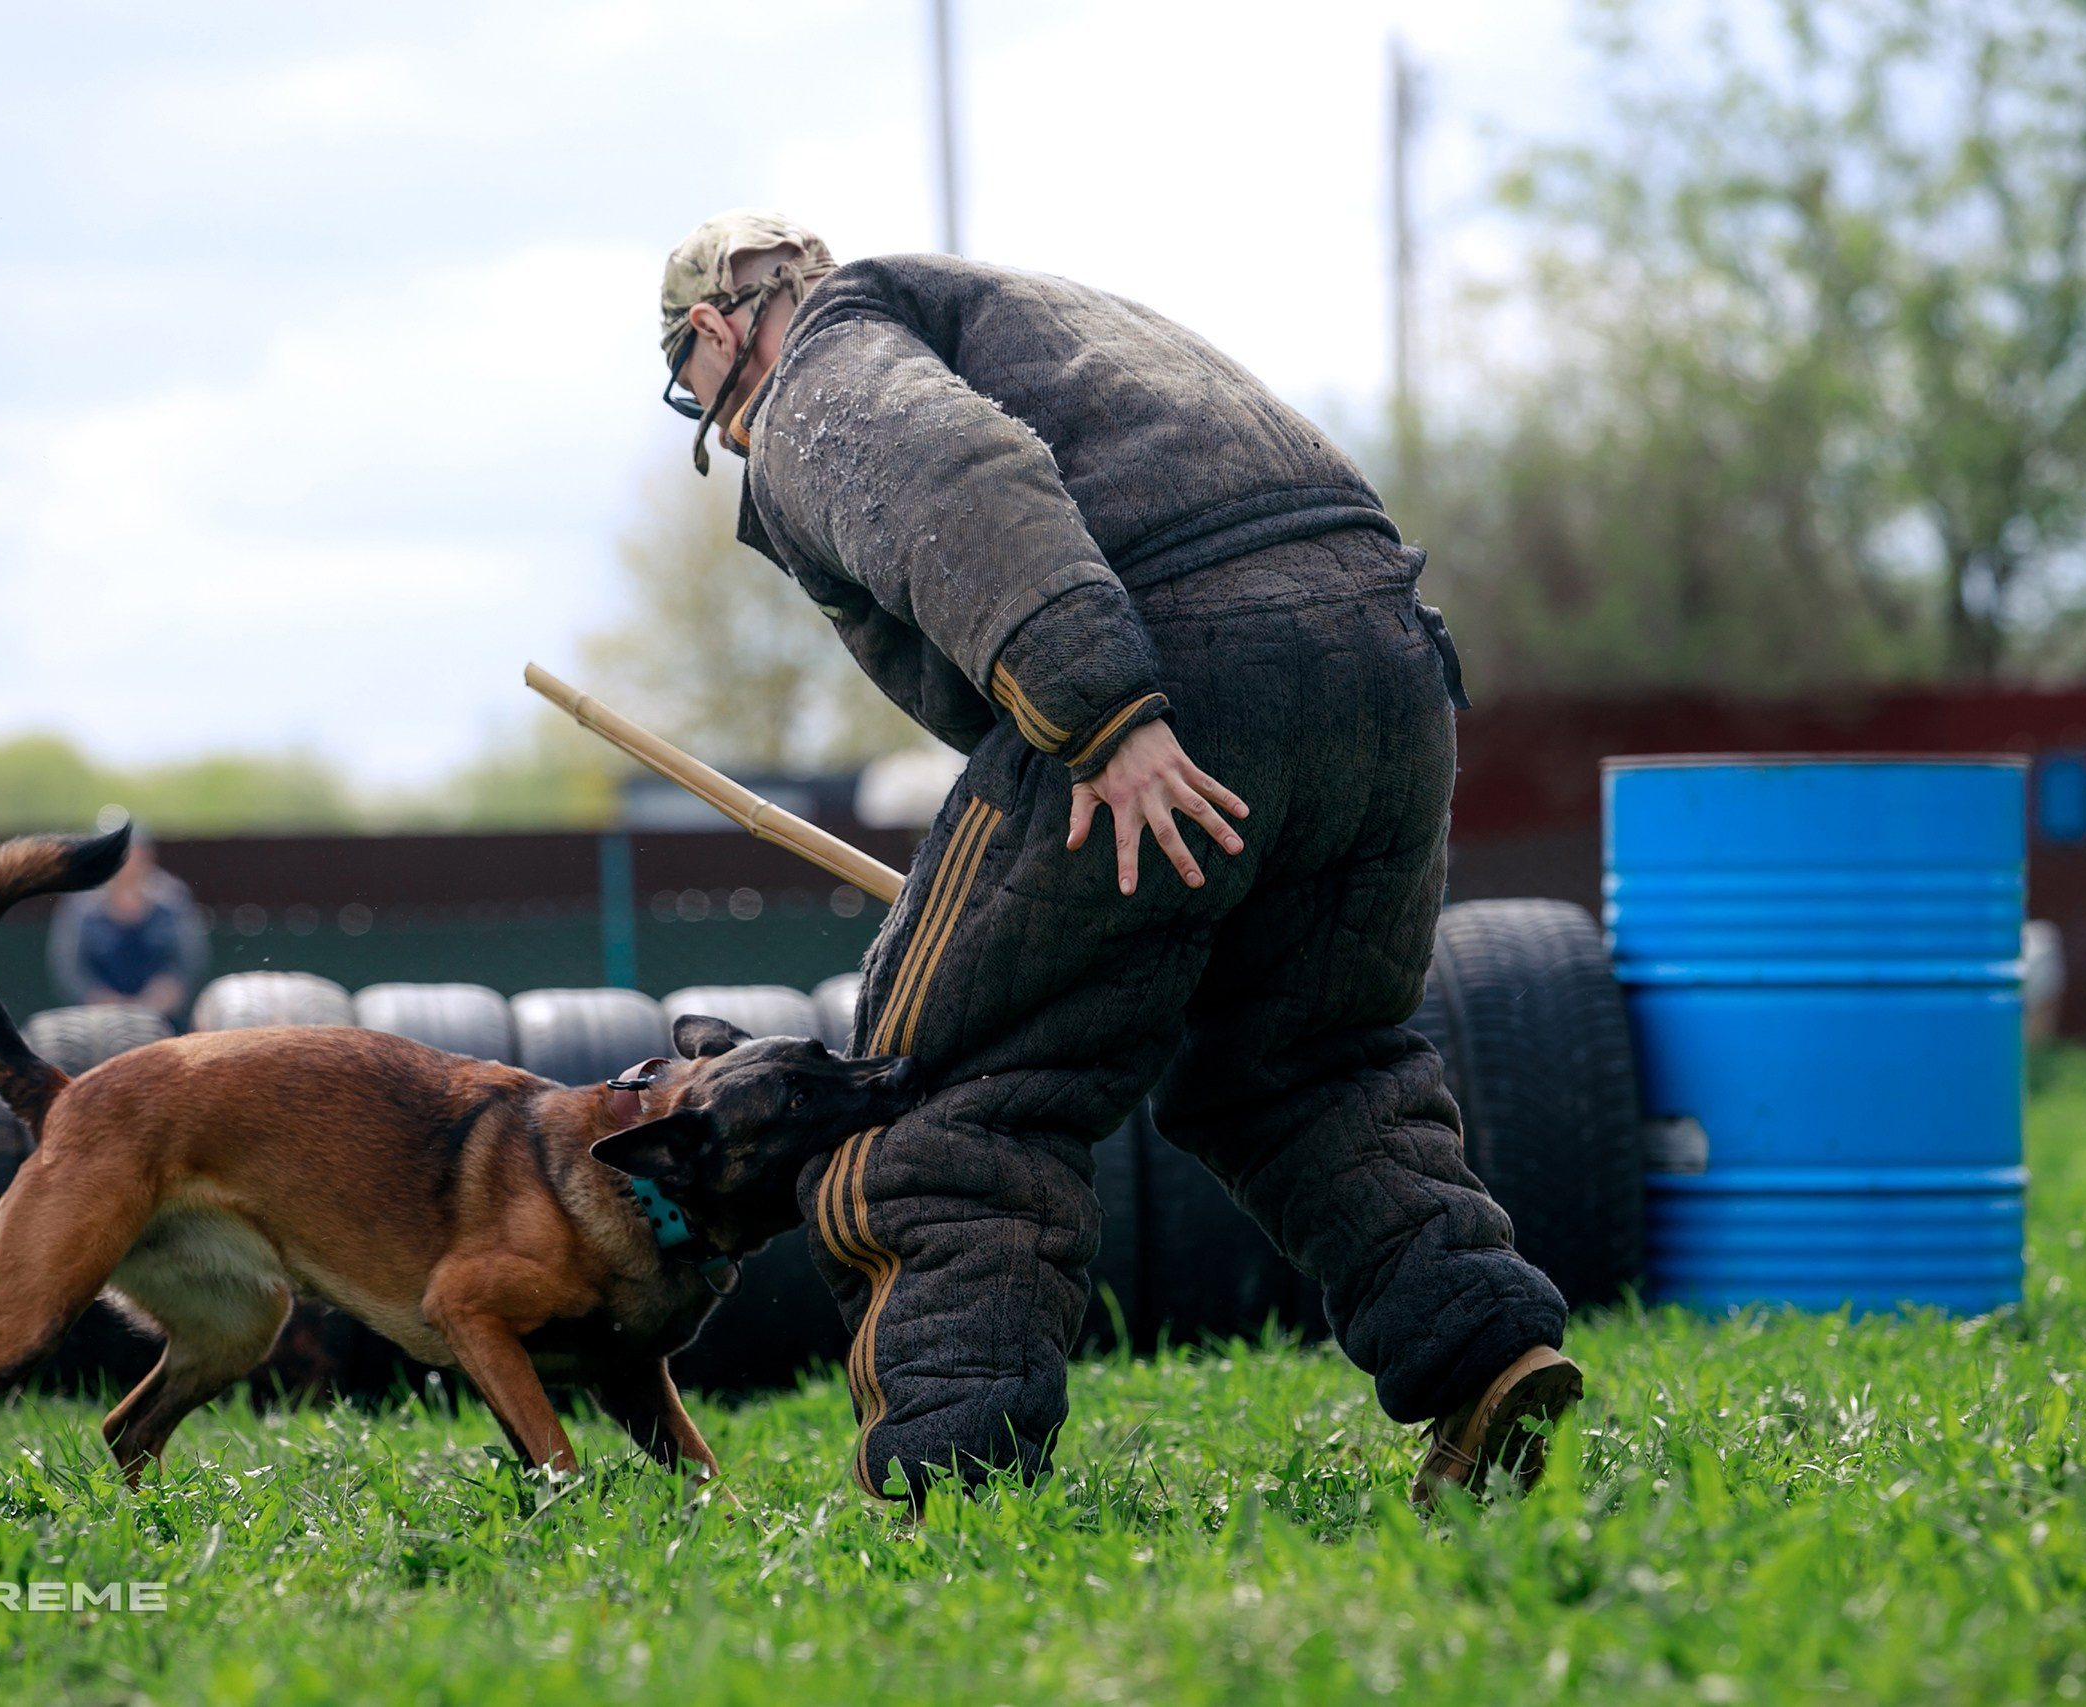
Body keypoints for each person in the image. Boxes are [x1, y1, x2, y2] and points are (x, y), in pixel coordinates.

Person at [655, 210, 1580, 1509]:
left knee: (943, 1089)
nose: (710, 423)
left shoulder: (819, 360)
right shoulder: (1025, 310)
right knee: (1304, 1063)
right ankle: (1490, 1354)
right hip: (1385, 669)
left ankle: (951, 1483)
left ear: (714, 329)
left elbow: (955, 476)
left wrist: (1104, 714)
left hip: (1168, 681)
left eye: (688, 393)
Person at [46, 822, 207, 1028]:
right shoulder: (80, 905)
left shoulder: (173, 899)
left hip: (164, 1024)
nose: (125, 862)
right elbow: (68, 966)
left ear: (147, 855)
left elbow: (190, 958)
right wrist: (98, 998)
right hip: (99, 1028)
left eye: (130, 853)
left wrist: (169, 990)